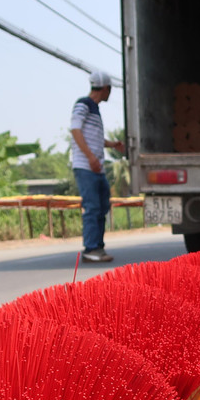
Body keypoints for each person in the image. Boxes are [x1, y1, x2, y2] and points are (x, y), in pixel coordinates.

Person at [70, 70, 125, 263]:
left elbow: (93, 138)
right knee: (92, 206)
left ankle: (98, 247)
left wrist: (112, 144)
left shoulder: (94, 108)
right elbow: (75, 130)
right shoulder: (83, 104)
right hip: (86, 166)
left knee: (102, 206)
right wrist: (90, 157)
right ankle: (91, 248)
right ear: (105, 89)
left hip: (96, 166)